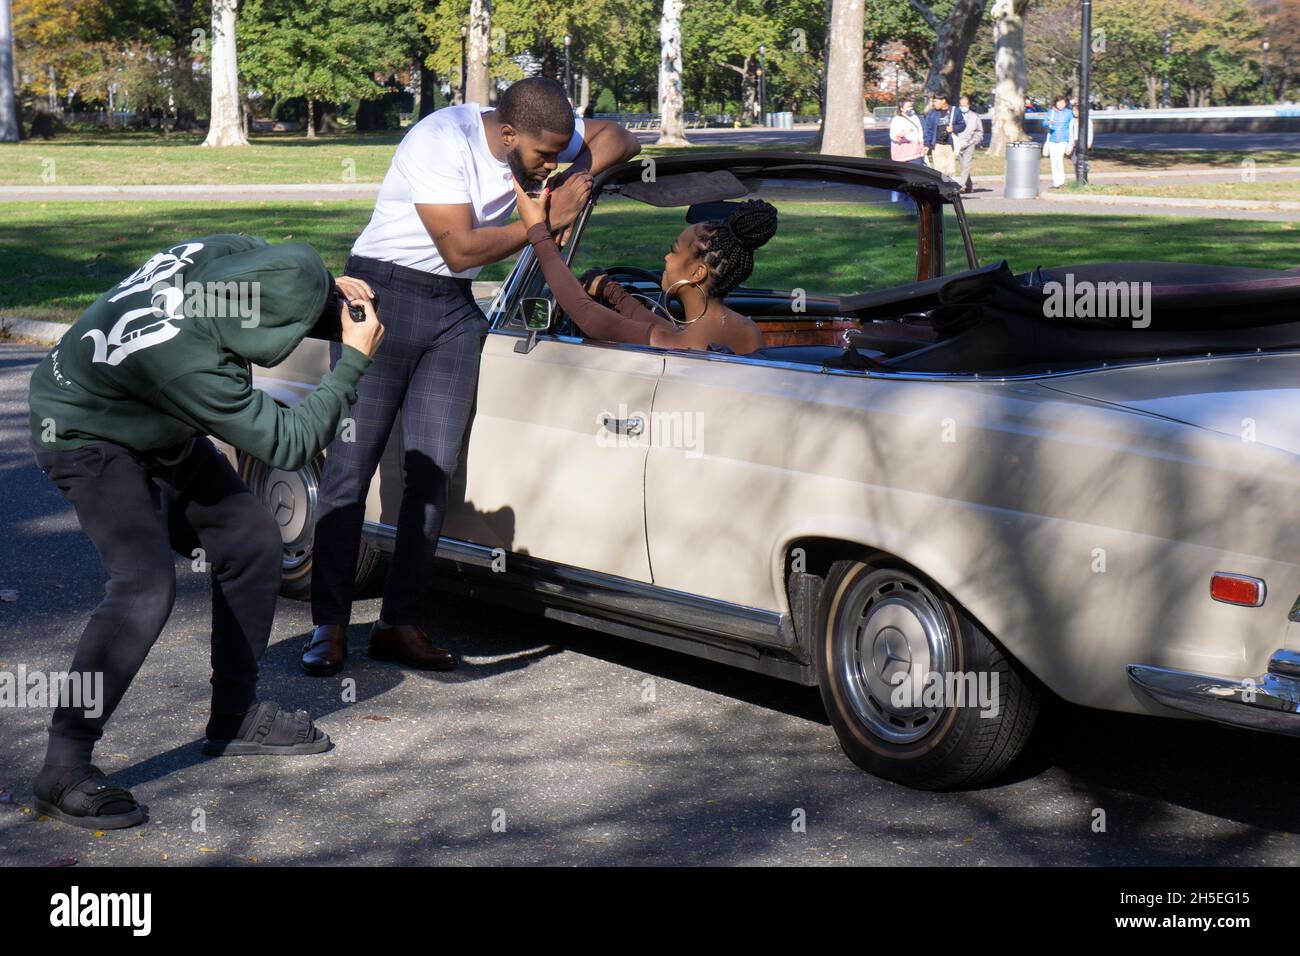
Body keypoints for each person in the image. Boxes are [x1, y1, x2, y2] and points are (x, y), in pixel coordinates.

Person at [26, 235, 385, 830]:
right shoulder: (191, 360)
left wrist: (328, 290)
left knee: (251, 541)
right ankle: (63, 766)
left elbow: (277, 276)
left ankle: (234, 717)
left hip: (156, 418)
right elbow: (290, 444)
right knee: (143, 588)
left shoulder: (227, 255)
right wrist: (353, 360)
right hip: (83, 431)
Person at [303, 76, 640, 677]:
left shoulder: (544, 136)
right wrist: (544, 222)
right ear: (506, 133)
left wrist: (573, 175)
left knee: (433, 471)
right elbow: (459, 248)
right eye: (542, 155)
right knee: (350, 466)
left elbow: (623, 137)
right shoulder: (441, 138)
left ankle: (398, 623)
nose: (547, 164)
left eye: (557, 152)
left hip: (452, 310)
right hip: (382, 294)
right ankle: (329, 626)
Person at [513, 178, 777, 355]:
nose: (666, 258)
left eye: (674, 251)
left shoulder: (681, 342)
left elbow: (587, 315)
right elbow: (662, 328)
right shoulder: (748, 330)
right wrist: (610, 289)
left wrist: (538, 232)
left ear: (698, 273)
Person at [888, 101, 925, 203]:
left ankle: (915, 202)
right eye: (908, 106)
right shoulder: (897, 120)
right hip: (901, 155)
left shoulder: (915, 118)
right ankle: (896, 202)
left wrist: (922, 146)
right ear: (901, 108)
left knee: (916, 179)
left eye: (911, 106)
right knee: (899, 180)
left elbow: (920, 132)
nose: (911, 108)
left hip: (915, 154)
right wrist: (902, 134)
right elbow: (893, 136)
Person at [921, 92, 965, 180]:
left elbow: (962, 125)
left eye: (936, 101)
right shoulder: (932, 113)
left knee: (950, 170)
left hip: (950, 145)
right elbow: (928, 130)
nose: (934, 103)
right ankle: (943, 189)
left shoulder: (954, 111)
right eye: (934, 101)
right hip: (937, 145)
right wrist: (926, 144)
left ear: (943, 101)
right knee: (939, 170)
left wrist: (954, 129)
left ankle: (951, 189)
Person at [955, 94, 984, 194]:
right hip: (958, 144)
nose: (963, 107)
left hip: (970, 143)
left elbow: (980, 131)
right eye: (961, 105)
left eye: (965, 105)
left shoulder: (974, 116)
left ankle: (962, 186)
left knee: (966, 165)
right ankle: (969, 186)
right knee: (963, 166)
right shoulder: (955, 115)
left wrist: (974, 140)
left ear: (969, 105)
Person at [1043, 95, 1073, 188]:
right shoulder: (1051, 112)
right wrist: (1048, 122)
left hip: (1063, 139)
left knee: (1059, 160)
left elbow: (1072, 125)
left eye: (1063, 103)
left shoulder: (1069, 113)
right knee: (1053, 161)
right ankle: (1056, 183)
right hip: (1052, 139)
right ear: (1055, 103)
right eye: (1059, 102)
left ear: (1066, 103)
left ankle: (1061, 181)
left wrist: (1071, 140)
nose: (1061, 105)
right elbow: (1044, 123)